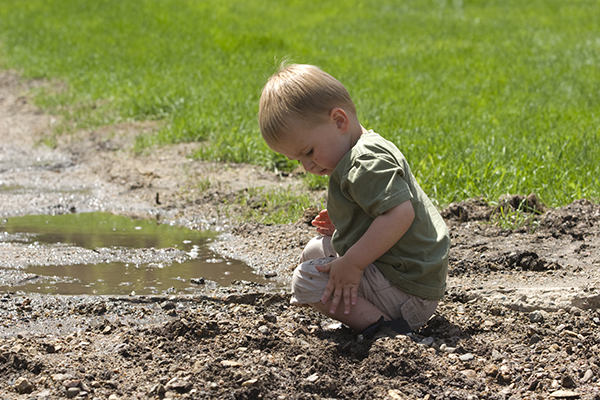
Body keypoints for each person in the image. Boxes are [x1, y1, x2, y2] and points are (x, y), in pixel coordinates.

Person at [258, 63, 450, 338]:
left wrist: (353, 264)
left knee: (306, 279)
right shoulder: (363, 148)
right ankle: (367, 315)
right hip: (405, 275)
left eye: (309, 152)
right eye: (298, 159)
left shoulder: (365, 161)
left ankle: (383, 329)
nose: (307, 166)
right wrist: (347, 221)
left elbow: (400, 215)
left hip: (408, 290)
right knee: (315, 251)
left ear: (339, 121)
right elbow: (378, 211)